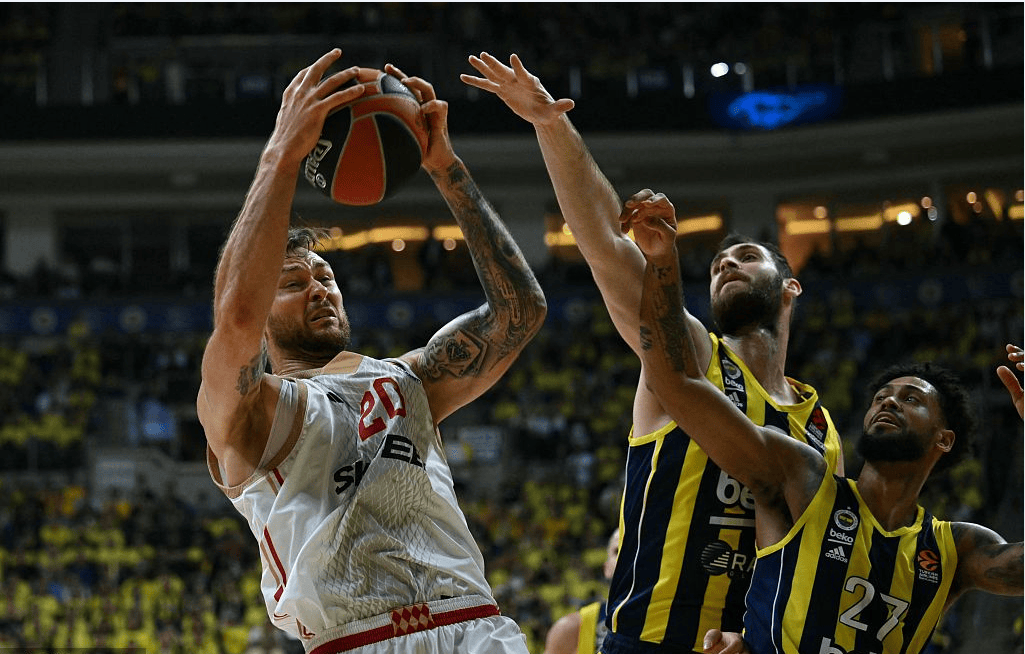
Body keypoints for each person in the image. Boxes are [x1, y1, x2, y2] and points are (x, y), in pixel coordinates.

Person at [461, 55, 843, 654]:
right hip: (650, 642)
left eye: (746, 257)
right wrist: (551, 124)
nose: (726, 264)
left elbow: (820, 560)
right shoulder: (688, 352)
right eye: (717, 263)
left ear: (790, 287)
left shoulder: (822, 429)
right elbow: (606, 243)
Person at [197, 49, 546, 654]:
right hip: (358, 637)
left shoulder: (410, 381)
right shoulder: (248, 411)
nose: (319, 289)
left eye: (326, 276)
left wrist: (446, 167)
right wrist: (282, 156)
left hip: (474, 625)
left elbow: (521, 311)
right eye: (294, 282)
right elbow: (236, 318)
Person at [629, 198, 1024, 654]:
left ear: (944, 439)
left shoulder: (954, 550)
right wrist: (662, 263)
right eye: (881, 397)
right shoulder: (801, 478)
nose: (889, 402)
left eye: (911, 399)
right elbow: (676, 383)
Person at [544, 529, 620, 654]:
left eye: (634, 550)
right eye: (617, 551)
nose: (626, 557)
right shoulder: (571, 629)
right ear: (606, 568)